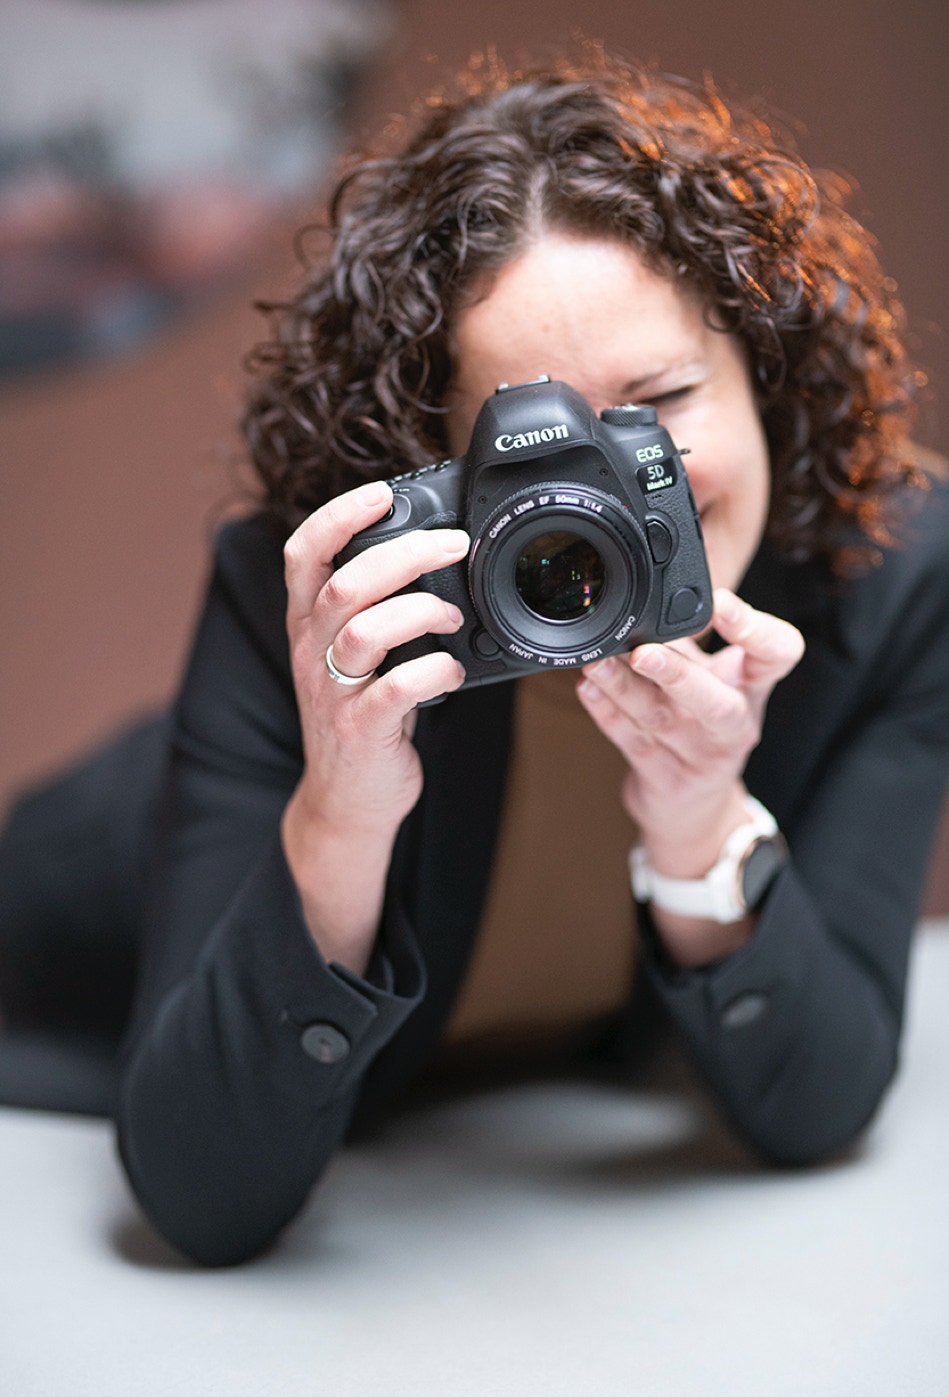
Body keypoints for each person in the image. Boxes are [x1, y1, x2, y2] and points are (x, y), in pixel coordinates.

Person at [2, 49, 948, 1267]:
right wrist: (341, 812)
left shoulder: (899, 579)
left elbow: (819, 1103)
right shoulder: (328, 600)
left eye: (657, 400)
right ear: (430, 470)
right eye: (528, 460)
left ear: (763, 370)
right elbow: (200, 1201)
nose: (602, 496)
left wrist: (701, 820)